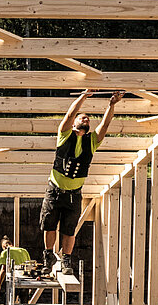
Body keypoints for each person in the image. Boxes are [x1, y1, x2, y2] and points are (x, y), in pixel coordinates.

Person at [39, 89, 124, 275]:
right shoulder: (64, 134)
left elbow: (106, 123)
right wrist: (83, 97)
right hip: (55, 190)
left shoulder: (92, 141)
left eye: (87, 119)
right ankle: (48, 255)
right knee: (49, 223)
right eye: (82, 118)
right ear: (75, 122)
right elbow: (70, 114)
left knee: (70, 229)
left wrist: (112, 104)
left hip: (74, 194)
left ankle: (66, 260)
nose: (85, 120)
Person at [0, 235, 31, 305]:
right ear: (12, 244)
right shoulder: (23, 251)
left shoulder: (5, 252)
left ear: (4, 246)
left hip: (13, 283)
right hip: (25, 282)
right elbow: (29, 266)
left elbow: (3, 270)